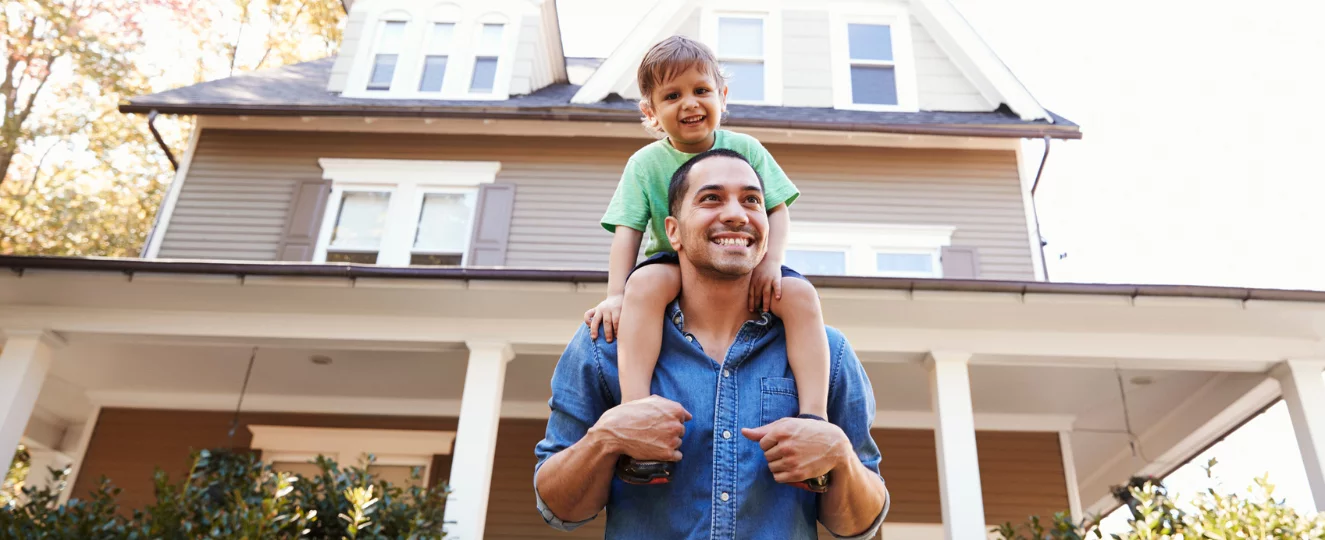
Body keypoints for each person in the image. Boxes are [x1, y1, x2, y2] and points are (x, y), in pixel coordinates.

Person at [535, 149, 890, 539]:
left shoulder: (827, 352)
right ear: (672, 231)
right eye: (711, 198)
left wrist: (839, 455)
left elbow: (860, 524)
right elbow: (559, 507)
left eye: (752, 200)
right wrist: (606, 439)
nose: (737, 213)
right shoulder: (604, 345)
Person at [583, 35, 833, 486]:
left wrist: (772, 261)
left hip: (743, 258)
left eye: (701, 90)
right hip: (671, 259)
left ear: (722, 97)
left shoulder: (748, 149)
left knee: (799, 295)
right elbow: (628, 232)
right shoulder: (644, 164)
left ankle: (813, 419)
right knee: (646, 288)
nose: (689, 103)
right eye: (671, 96)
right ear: (650, 112)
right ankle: (637, 415)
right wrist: (616, 295)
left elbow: (777, 208)